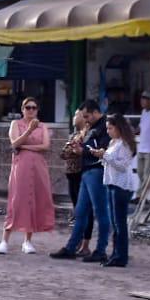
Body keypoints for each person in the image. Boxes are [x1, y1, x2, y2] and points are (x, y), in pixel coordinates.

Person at [49, 100, 112, 263]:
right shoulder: (91, 127)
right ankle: (71, 247)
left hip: (97, 171)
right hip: (86, 171)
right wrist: (79, 148)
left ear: (95, 112)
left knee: (100, 212)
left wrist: (83, 150)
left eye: (87, 116)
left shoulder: (105, 126)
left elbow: (104, 151)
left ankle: (100, 250)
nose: (85, 119)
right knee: (80, 212)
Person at [0, 97, 53, 255]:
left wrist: (25, 146)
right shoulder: (16, 124)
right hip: (21, 165)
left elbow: (45, 146)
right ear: (22, 109)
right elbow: (14, 143)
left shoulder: (43, 126)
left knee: (34, 200)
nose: (31, 110)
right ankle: (5, 239)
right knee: (17, 200)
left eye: (34, 108)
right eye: (27, 107)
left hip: (38, 166)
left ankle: (27, 240)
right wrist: (29, 131)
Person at [99, 113, 138, 268]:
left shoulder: (125, 144)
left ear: (118, 127)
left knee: (120, 223)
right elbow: (109, 163)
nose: (108, 131)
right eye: (107, 128)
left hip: (121, 185)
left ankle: (121, 256)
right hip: (111, 182)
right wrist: (102, 156)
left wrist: (106, 157)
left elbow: (122, 166)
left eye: (110, 128)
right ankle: (116, 254)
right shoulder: (113, 142)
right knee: (115, 224)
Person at [60, 108, 93, 252]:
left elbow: (81, 152)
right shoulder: (74, 134)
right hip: (71, 175)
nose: (74, 117)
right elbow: (64, 153)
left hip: (82, 174)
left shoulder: (87, 134)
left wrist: (75, 150)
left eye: (77, 114)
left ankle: (84, 243)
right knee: (77, 209)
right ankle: (78, 241)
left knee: (85, 210)